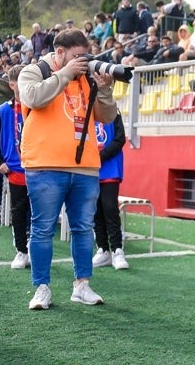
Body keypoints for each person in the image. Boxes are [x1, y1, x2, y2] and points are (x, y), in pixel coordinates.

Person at [18, 29, 118, 311]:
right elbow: (33, 98)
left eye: (84, 57)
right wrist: (64, 75)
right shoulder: (33, 71)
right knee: (42, 229)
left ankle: (82, 285)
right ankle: (41, 288)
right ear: (59, 53)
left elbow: (107, 117)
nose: (82, 62)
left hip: (85, 165)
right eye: (76, 57)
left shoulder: (86, 78)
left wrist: (105, 89)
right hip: (44, 164)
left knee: (84, 229)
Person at [0, 65, 31, 270]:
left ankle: (34, 248)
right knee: (18, 210)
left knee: (39, 212)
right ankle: (21, 251)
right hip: (15, 169)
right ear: (12, 85)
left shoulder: (38, 106)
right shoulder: (5, 110)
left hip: (39, 168)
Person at [91, 114, 129, 271]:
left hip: (110, 168)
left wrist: (101, 156)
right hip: (91, 169)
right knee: (95, 210)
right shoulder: (86, 110)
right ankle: (103, 249)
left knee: (110, 208)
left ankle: (117, 250)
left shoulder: (113, 111)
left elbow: (120, 139)